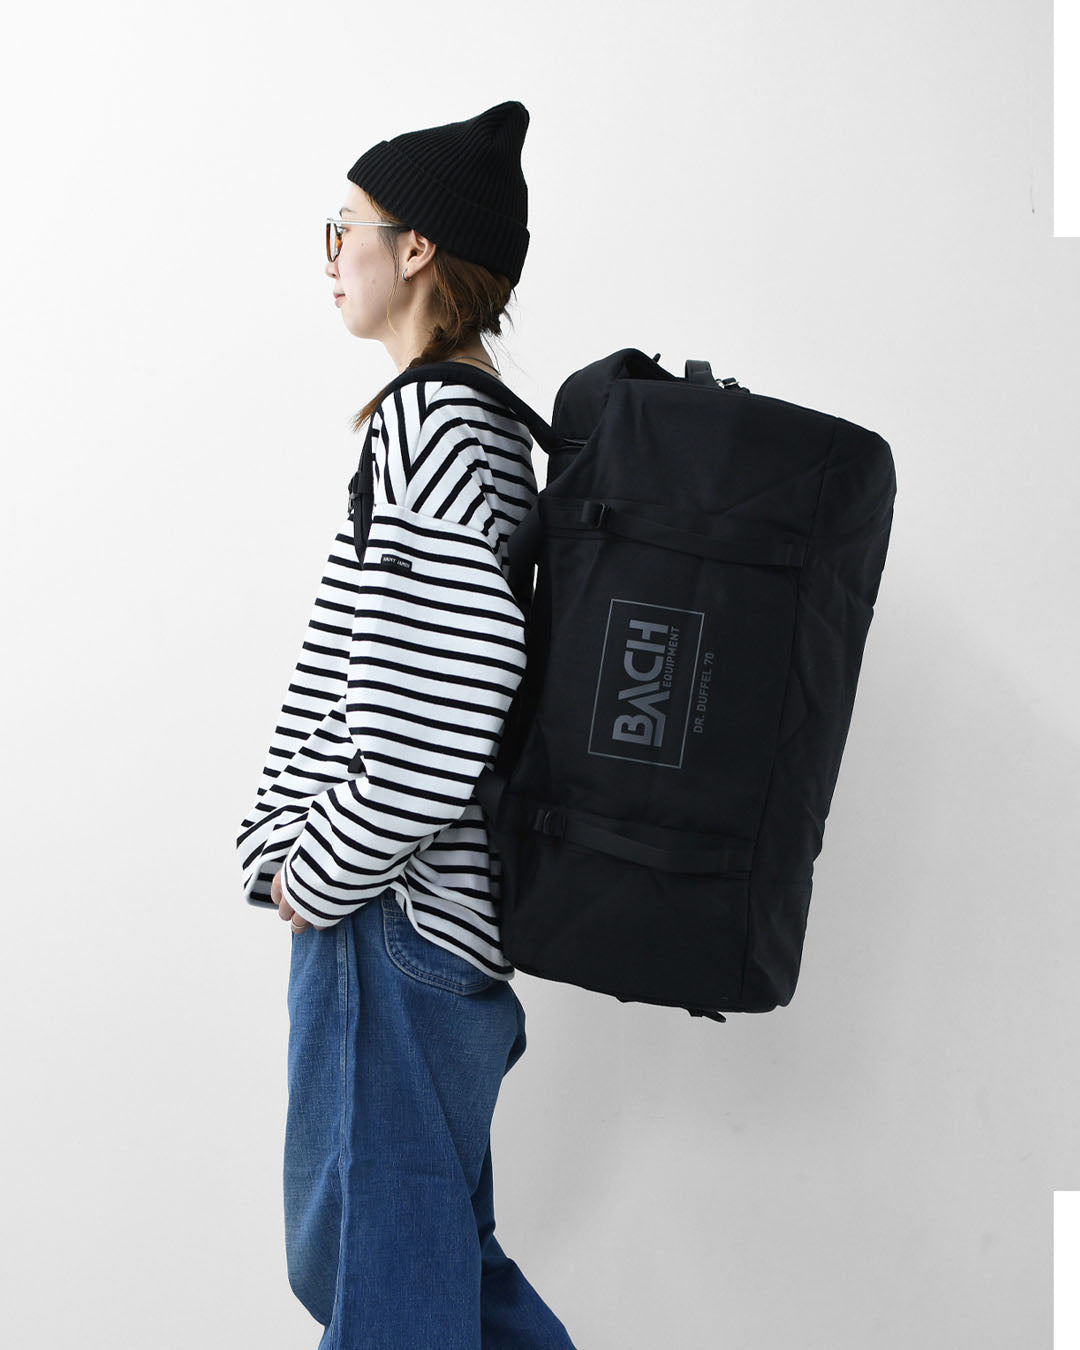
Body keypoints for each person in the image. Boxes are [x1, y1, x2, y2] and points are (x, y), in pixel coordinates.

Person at [235, 101, 578, 1349]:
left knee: (383, 1289)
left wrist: (317, 872)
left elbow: (443, 707)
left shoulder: (429, 428)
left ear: (417, 247)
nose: (334, 254)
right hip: (431, 921)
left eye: (349, 228)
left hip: (394, 918)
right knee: (434, 1274)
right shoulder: (477, 424)